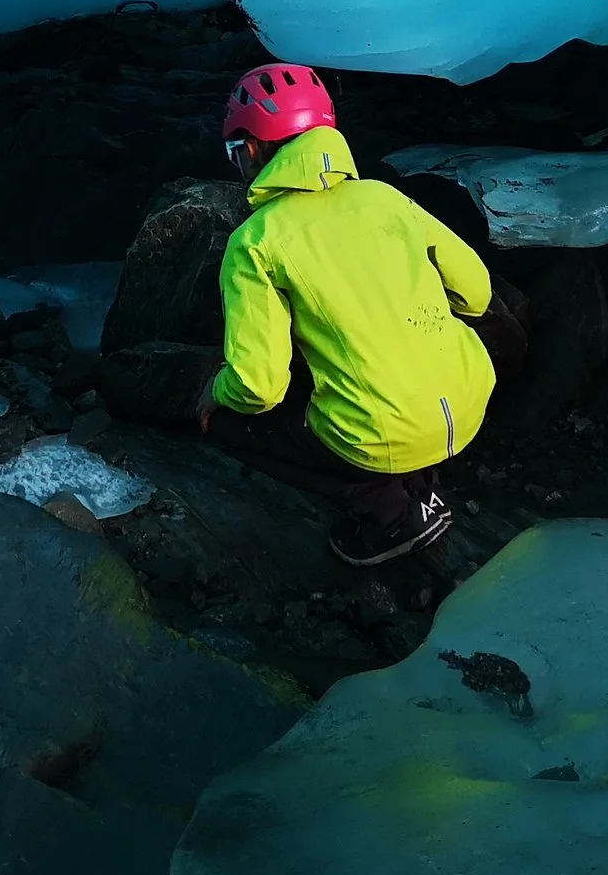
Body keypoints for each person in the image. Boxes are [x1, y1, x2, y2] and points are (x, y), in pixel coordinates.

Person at [198, 61, 523, 567]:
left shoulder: (256, 241)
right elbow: (477, 293)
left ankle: (388, 510)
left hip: (385, 435)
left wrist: (213, 393)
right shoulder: (386, 199)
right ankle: (423, 484)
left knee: (228, 422)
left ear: (256, 148)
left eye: (237, 151)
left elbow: (257, 386)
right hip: (468, 404)